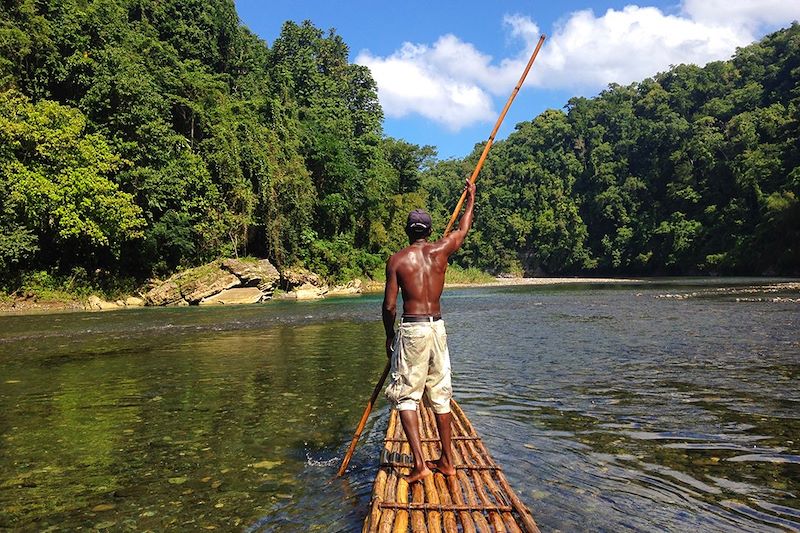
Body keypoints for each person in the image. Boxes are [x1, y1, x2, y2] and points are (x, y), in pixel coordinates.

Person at [382, 179, 476, 483]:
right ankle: (448, 461)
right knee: (440, 394)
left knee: (408, 397)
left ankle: (421, 465)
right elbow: (463, 230)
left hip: (413, 329)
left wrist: (389, 336)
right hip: (438, 328)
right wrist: (471, 198)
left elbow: (389, 307)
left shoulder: (397, 260)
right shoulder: (441, 250)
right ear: (429, 231)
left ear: (409, 231)